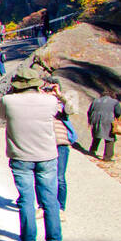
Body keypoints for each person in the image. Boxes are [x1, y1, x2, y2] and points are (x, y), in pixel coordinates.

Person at [0, 67, 62, 241]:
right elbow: (64, 112)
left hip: (21, 156)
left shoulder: (8, 100)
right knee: (50, 199)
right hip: (47, 155)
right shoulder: (50, 100)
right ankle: (54, 240)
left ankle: (29, 240)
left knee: (26, 199)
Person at [45, 79, 76, 215]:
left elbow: (72, 109)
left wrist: (59, 95)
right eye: (46, 89)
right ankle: (44, 206)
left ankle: (60, 208)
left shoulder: (60, 106)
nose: (49, 92)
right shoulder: (40, 105)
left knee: (59, 177)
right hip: (44, 143)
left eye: (52, 89)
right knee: (43, 177)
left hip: (61, 144)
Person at [87, 91, 121, 161]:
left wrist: (90, 121)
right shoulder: (114, 102)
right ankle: (107, 157)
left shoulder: (95, 101)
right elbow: (118, 113)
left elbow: (89, 111)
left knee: (96, 135)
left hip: (95, 120)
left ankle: (92, 151)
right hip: (107, 120)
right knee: (110, 138)